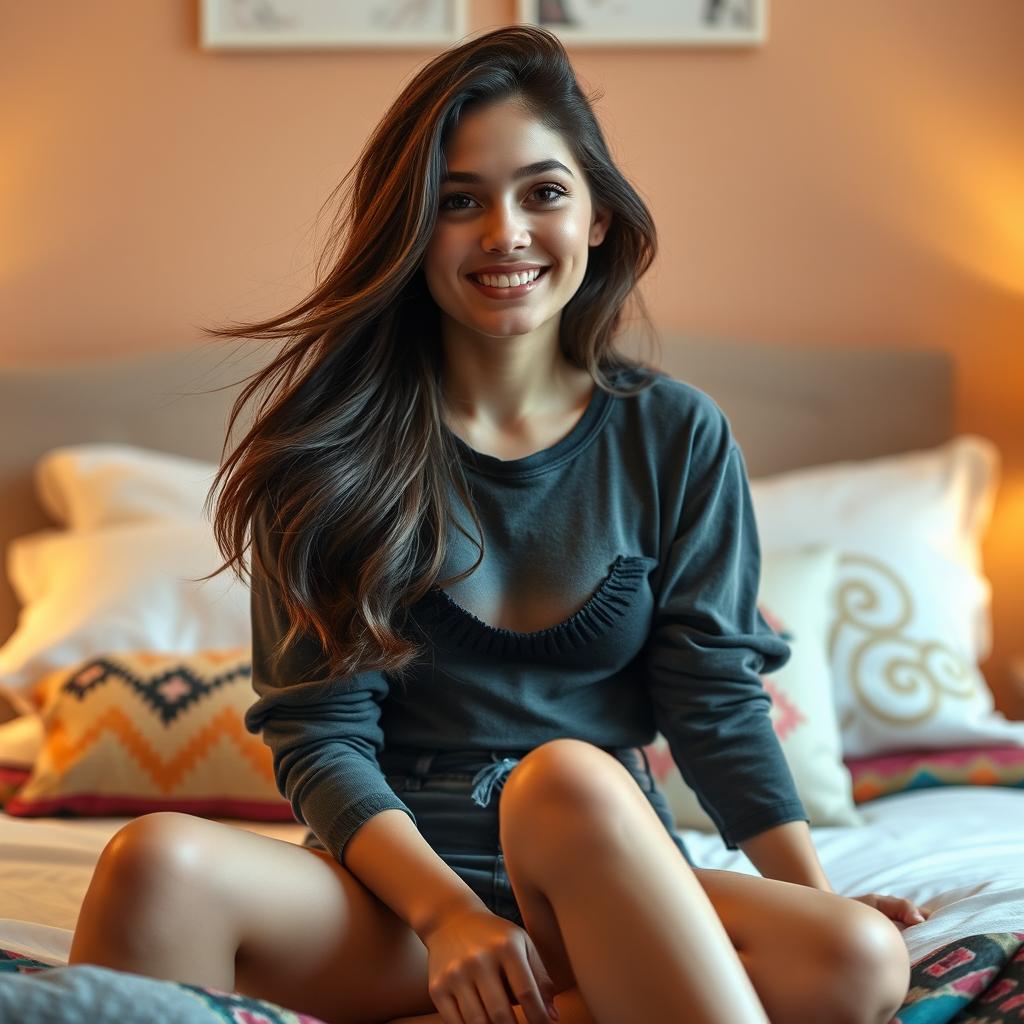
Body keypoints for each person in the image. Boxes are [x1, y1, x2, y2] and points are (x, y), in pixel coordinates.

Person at [68, 24, 929, 1024]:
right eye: (458, 202)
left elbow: (713, 701)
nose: (505, 234)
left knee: (852, 955)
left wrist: (806, 895)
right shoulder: (324, 445)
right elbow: (319, 736)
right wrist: (449, 918)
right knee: (152, 861)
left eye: (543, 193)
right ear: (411, 230)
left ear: (598, 215)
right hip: (388, 896)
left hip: (600, 877)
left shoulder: (674, 434)